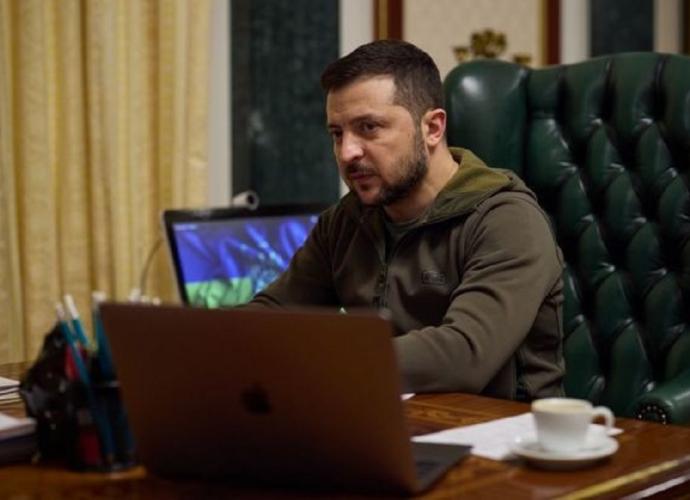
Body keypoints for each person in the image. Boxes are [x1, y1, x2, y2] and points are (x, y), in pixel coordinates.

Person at [250, 39, 564, 401]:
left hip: (504, 428)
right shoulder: (346, 221)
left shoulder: (507, 220)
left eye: (369, 127)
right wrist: (213, 341)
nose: (347, 152)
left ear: (432, 128)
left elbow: (464, 355)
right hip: (390, 418)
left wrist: (317, 361)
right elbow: (274, 313)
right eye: (337, 134)